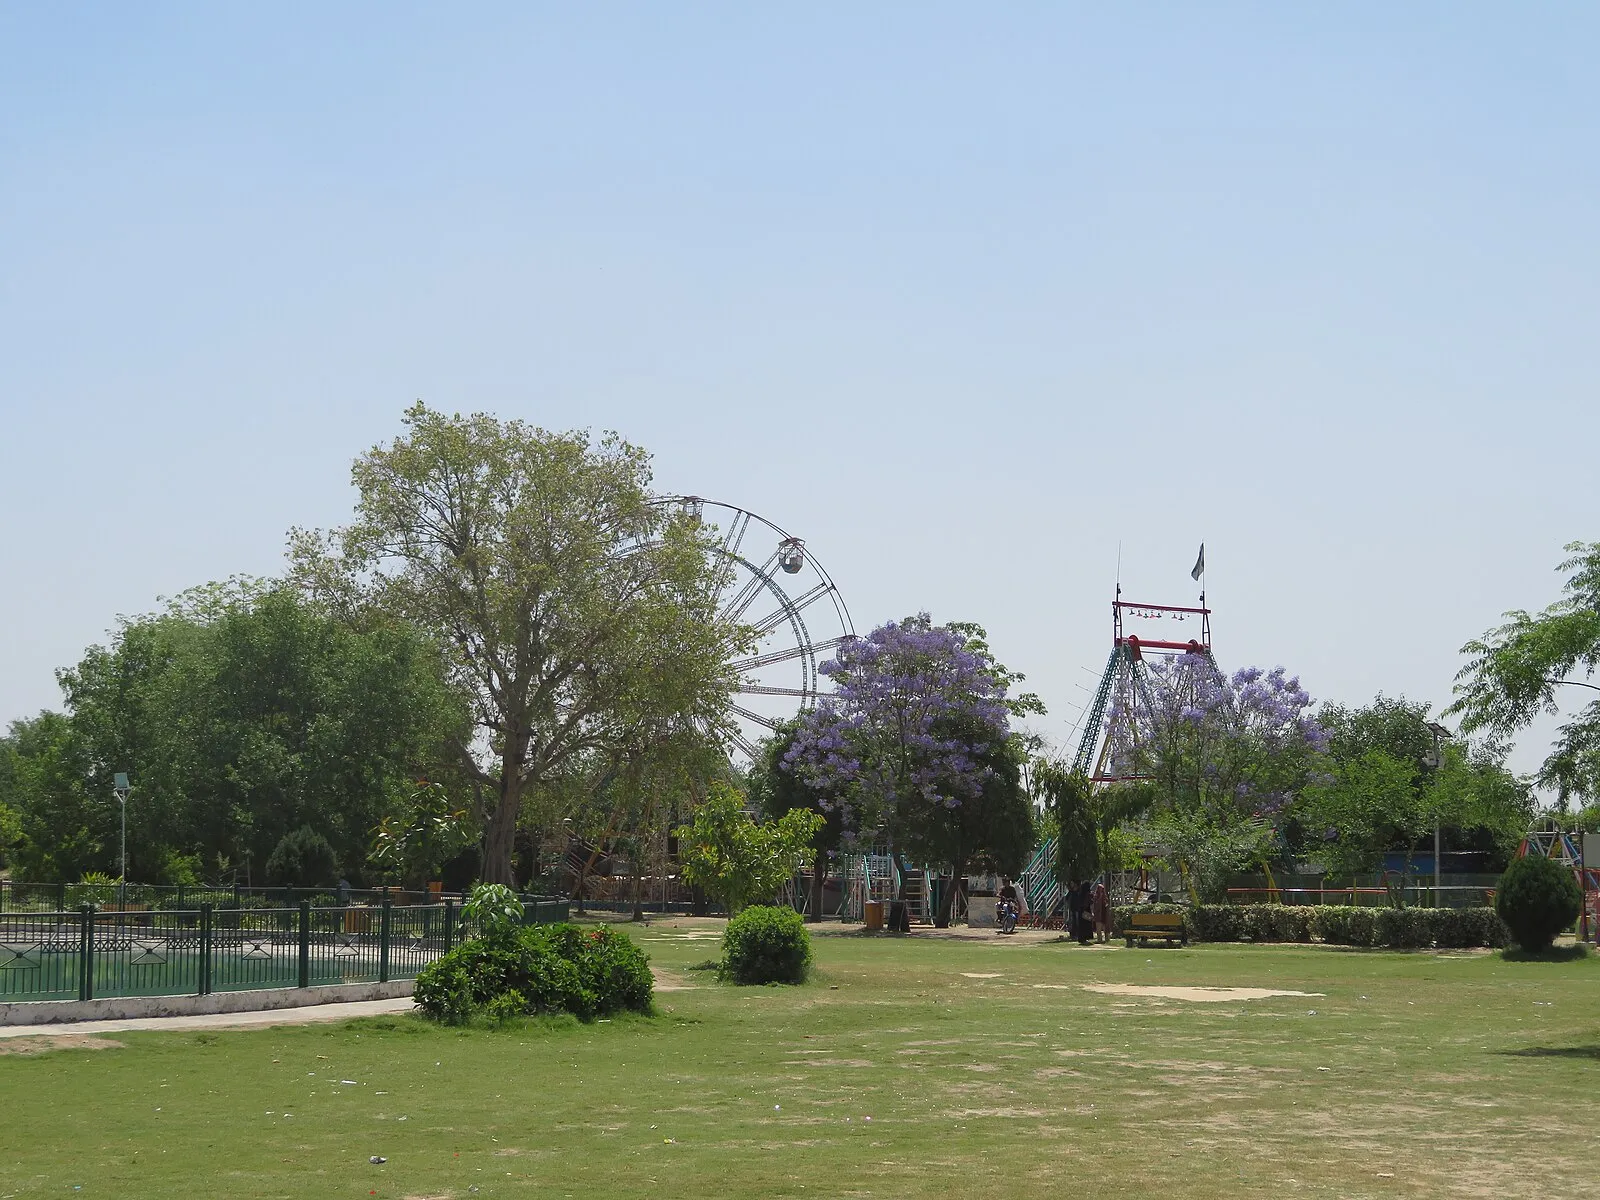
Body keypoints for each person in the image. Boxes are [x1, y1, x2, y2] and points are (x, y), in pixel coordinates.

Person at [1091, 877, 1110, 943]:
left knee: (1105, 927)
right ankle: (1099, 939)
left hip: (1104, 914)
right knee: (1098, 928)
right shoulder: (1096, 896)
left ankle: (1107, 939)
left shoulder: (1105, 897)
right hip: (1098, 914)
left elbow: (1106, 903)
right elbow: (1095, 904)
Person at [1076, 878, 1094, 944]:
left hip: (1081, 911)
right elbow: (1090, 902)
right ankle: (1085, 938)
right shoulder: (1087, 894)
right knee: (1086, 925)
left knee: (1081, 926)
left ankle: (1081, 938)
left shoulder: (1080, 893)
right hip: (1086, 911)